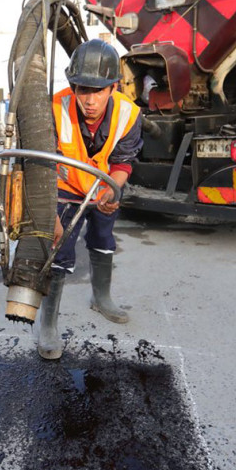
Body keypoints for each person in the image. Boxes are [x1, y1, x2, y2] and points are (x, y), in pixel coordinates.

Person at [36, 39, 143, 360]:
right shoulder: (54, 108)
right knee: (60, 250)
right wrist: (48, 216)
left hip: (103, 189)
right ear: (72, 86)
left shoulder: (129, 114)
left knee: (102, 239)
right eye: (83, 90)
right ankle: (48, 323)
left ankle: (101, 297)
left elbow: (124, 160)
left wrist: (114, 189)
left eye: (99, 90)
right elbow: (41, 164)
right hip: (64, 189)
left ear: (113, 87)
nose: (90, 100)